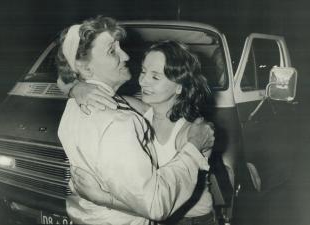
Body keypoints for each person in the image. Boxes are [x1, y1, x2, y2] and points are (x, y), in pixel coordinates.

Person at [57, 16, 214, 225]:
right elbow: (67, 82)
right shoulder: (139, 110)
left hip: (189, 220)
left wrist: (104, 199)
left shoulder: (195, 132)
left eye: (156, 77)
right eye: (144, 71)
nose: (143, 81)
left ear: (180, 86)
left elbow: (167, 205)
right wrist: (77, 88)